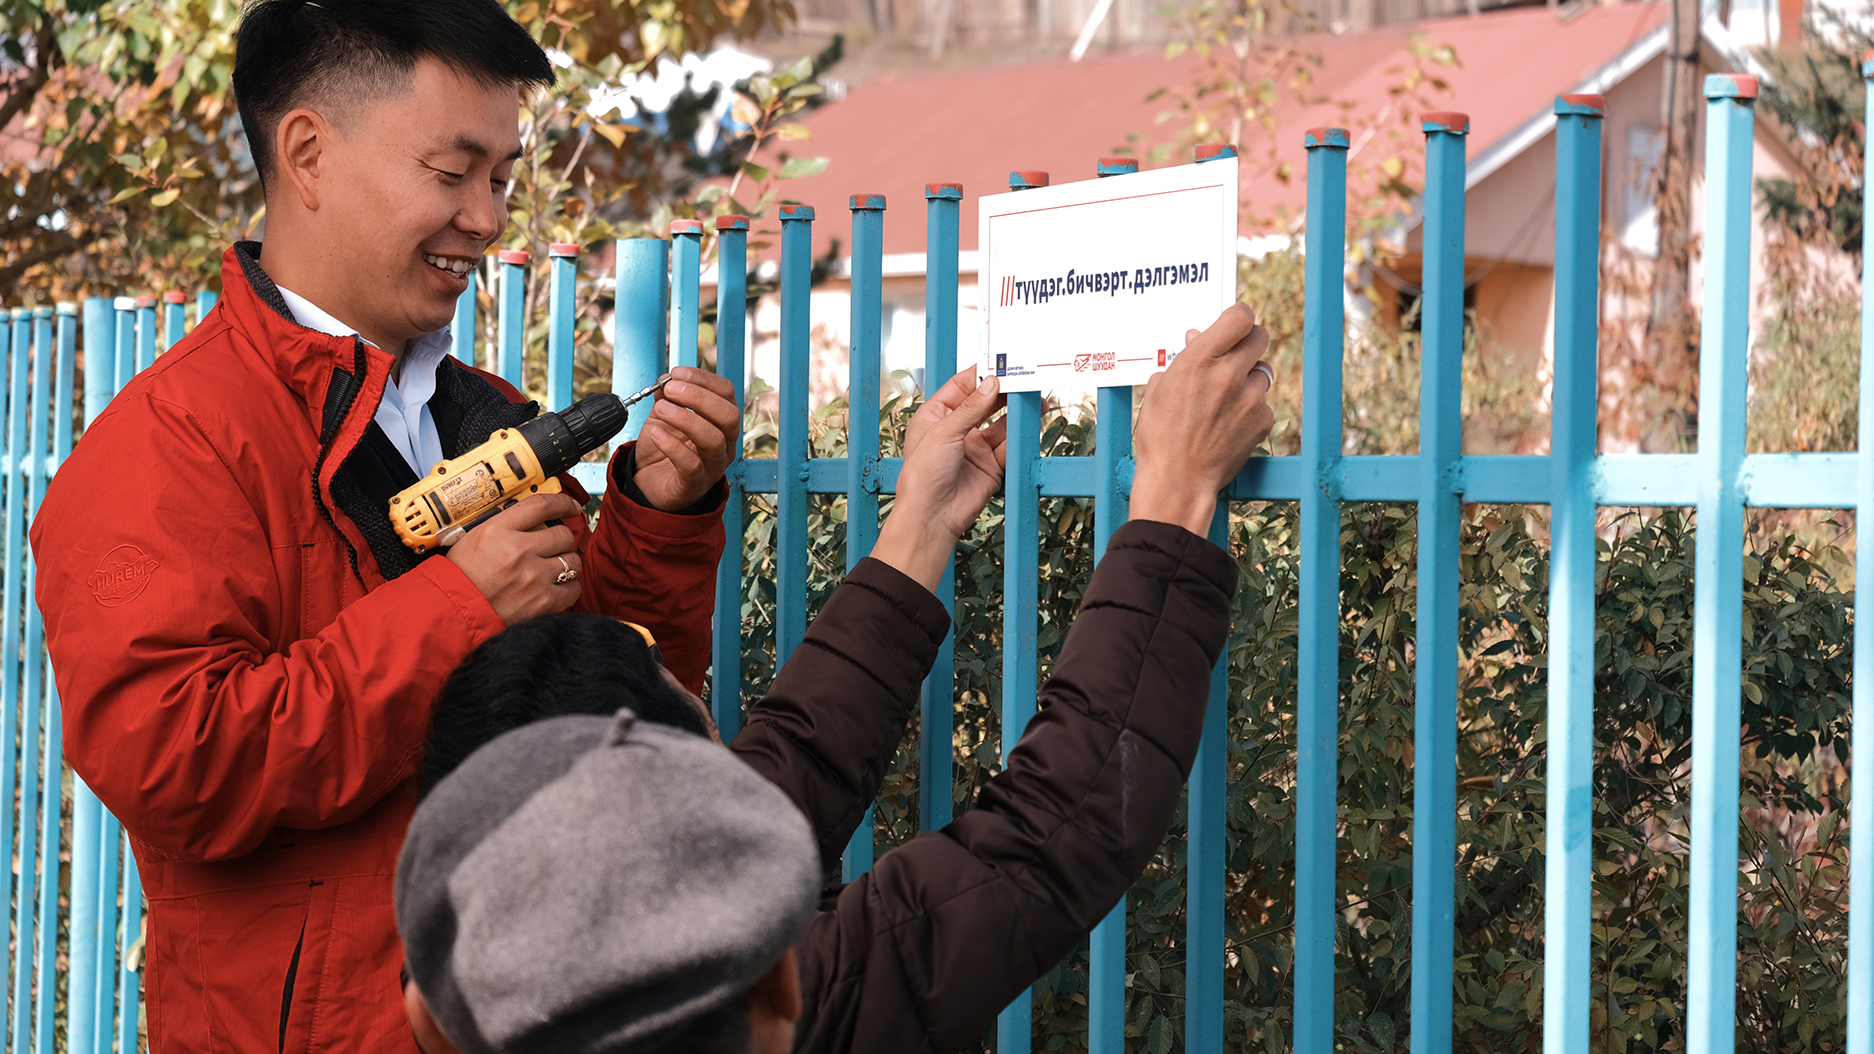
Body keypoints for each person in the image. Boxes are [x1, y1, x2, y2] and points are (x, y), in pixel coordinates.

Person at [27, 1, 740, 1050]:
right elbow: (184, 766)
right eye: (452, 174)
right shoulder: (166, 445)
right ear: (307, 153)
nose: (490, 219)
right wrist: (458, 608)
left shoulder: (479, 412)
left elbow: (613, 704)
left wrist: (660, 518)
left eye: (501, 179)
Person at [394, 304, 1277, 1053]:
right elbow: (1053, 833)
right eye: (709, 747)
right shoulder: (748, 1011)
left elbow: (791, 770)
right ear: (780, 985)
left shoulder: (503, 992)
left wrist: (918, 530)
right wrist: (1175, 492)